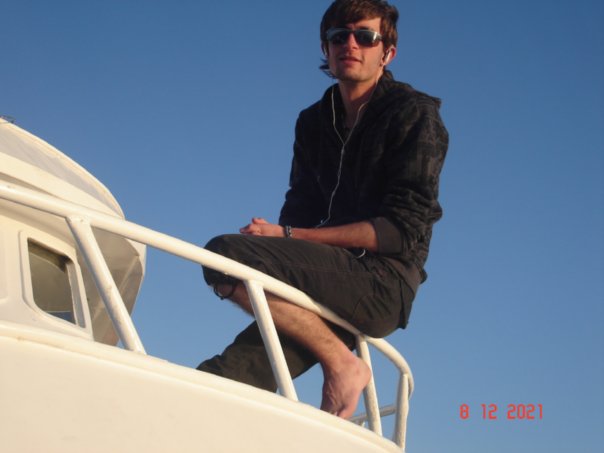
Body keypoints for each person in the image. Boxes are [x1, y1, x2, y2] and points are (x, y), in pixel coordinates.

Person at [198, 0, 448, 420]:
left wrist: (288, 238)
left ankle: (341, 363)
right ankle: (338, 367)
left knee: (224, 254)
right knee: (224, 378)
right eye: (338, 36)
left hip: (382, 282)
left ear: (387, 53)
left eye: (365, 36)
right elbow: (300, 206)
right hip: (324, 275)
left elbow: (400, 231)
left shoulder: (413, 113)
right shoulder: (313, 121)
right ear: (325, 48)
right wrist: (278, 243)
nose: (350, 44)